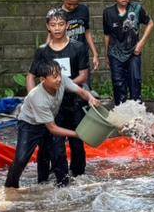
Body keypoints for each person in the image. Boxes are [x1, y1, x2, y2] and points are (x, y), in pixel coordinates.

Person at [28, 8, 97, 179]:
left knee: (77, 141)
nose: (57, 28)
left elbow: (83, 75)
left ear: (67, 25)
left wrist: (61, 85)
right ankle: (58, 178)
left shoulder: (78, 47)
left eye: (60, 24)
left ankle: (79, 177)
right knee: (52, 142)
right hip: (51, 104)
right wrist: (32, 98)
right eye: (53, 25)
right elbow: (31, 76)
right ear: (48, 27)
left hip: (75, 101)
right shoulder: (43, 51)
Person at [5, 60, 91, 188]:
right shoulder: (37, 97)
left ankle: (62, 186)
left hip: (50, 119)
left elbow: (81, 91)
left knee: (58, 153)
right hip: (30, 124)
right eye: (54, 76)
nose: (59, 79)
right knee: (21, 158)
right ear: (43, 79)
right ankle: (10, 187)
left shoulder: (62, 81)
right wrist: (77, 134)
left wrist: (91, 98)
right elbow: (53, 129)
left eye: (59, 74)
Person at [102, 0, 154, 105]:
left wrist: (141, 43)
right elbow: (107, 35)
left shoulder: (136, 9)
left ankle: (136, 110)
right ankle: (121, 110)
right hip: (115, 53)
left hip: (133, 52)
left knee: (135, 81)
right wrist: (106, 54)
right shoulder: (108, 13)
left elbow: (150, 23)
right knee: (118, 83)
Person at [61, 0, 100, 73]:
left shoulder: (83, 10)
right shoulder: (57, 13)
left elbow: (87, 32)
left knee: (84, 80)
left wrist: (95, 54)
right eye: (69, 4)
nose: (72, 7)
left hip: (82, 54)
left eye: (76, 4)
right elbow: (51, 36)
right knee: (66, 80)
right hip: (64, 55)